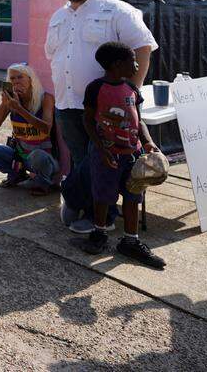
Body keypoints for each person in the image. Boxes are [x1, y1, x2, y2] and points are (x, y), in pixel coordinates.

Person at [45, 0, 158, 169]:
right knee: (80, 160)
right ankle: (83, 201)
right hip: (67, 105)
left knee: (110, 162)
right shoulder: (58, 17)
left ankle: (108, 202)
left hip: (106, 107)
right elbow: (54, 56)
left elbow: (143, 47)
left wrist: (130, 93)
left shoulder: (117, 10)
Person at [75, 41, 165, 269]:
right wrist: (102, 148)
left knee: (133, 195)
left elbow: (138, 119)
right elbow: (87, 119)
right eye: (132, 61)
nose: (137, 65)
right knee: (103, 195)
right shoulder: (96, 88)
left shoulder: (132, 89)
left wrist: (147, 142)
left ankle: (130, 241)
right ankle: (99, 233)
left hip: (132, 155)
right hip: (107, 155)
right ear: (117, 64)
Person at [0, 63, 59, 193]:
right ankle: (18, 174)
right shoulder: (13, 101)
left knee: (37, 155)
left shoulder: (45, 98)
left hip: (44, 160)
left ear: (30, 79)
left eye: (20, 77)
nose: (16, 82)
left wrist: (19, 109)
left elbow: (46, 129)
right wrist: (5, 104)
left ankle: (44, 183)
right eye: (12, 79)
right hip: (21, 158)